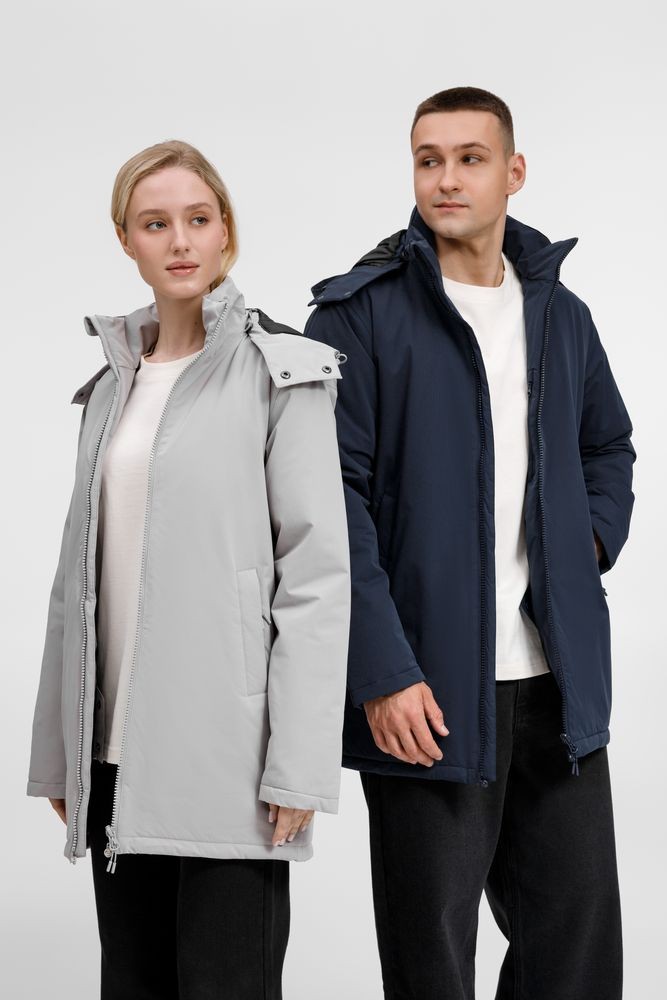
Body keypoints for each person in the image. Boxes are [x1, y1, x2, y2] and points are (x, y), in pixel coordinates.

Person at [305, 87, 635, 999]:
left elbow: (606, 444)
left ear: (512, 172)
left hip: (557, 685)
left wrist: (586, 546)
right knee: (432, 966)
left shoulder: (559, 315)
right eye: (428, 160)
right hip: (426, 692)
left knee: (574, 959)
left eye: (469, 158)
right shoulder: (357, 316)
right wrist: (380, 673)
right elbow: (329, 506)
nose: (445, 179)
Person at [26, 139, 351, 1000]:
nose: (179, 241)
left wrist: (299, 763)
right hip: (114, 759)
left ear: (226, 232)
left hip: (229, 761)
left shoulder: (282, 372)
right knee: (132, 983)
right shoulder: (110, 386)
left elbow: (316, 578)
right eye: (155, 223)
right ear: (125, 240)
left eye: (198, 219)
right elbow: (74, 585)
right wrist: (59, 752)